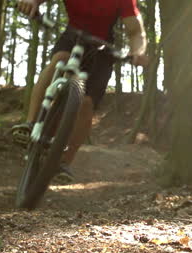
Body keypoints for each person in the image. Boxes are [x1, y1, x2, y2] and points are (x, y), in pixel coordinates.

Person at [13, 0, 148, 182]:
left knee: (86, 103)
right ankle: (29, 124)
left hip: (102, 46)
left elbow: (136, 31)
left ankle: (64, 163)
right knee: (60, 59)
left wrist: (138, 51)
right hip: (72, 34)